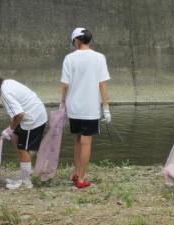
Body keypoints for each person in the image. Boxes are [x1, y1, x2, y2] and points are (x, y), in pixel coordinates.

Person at [0, 71, 47, 189]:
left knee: (23, 148)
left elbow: (19, 115)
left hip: (33, 118)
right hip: (35, 112)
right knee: (15, 138)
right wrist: (11, 131)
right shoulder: (7, 83)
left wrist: (10, 128)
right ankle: (26, 170)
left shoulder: (5, 93)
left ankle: (25, 181)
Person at [60, 27, 111, 189]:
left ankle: (76, 173)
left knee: (78, 138)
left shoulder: (69, 58)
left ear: (77, 40)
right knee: (86, 142)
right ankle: (81, 178)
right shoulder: (99, 58)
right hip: (90, 108)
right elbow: (102, 84)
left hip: (73, 106)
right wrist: (106, 108)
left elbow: (65, 85)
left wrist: (63, 104)